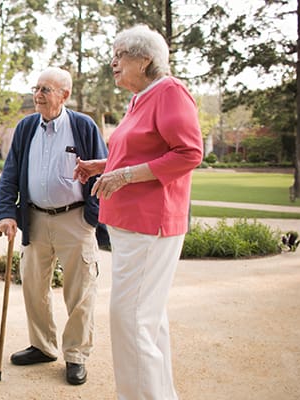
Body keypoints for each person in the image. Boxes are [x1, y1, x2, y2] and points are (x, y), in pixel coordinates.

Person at [73, 25, 203, 400]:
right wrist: (104, 165)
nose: (112, 61)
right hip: (131, 226)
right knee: (147, 320)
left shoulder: (170, 92)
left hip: (152, 225)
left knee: (131, 321)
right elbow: (143, 150)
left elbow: (188, 153)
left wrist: (125, 175)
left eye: (121, 54)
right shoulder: (140, 98)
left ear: (145, 59)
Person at [0, 67, 108, 385]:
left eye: (46, 89)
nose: (38, 95)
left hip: (75, 219)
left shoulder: (83, 126)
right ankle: (42, 346)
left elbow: (101, 171)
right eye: (36, 89)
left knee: (81, 291)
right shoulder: (27, 127)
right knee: (33, 285)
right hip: (36, 217)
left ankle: (75, 356)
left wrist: (92, 218)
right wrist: (7, 212)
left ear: (64, 95)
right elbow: (11, 173)